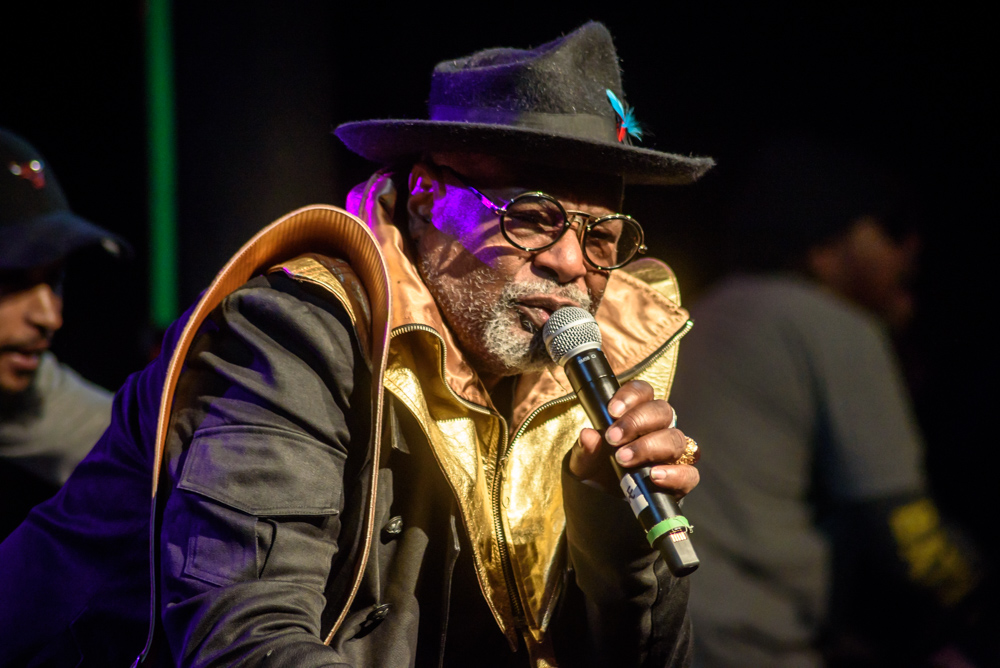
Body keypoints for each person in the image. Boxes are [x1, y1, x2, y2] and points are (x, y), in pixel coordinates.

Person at [0, 22, 711, 667]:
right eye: (532, 218)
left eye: (601, 236)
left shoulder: (595, 367)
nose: (570, 263)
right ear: (431, 196)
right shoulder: (294, 330)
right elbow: (244, 642)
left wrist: (613, 536)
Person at [671, 133, 986, 667]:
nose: (911, 249)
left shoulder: (706, 310)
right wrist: (980, 604)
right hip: (751, 641)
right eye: (891, 229)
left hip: (675, 627)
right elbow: (905, 532)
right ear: (823, 245)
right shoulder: (831, 322)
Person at [0, 128, 127, 541]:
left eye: (54, 280)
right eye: (13, 279)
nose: (49, 317)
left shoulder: (29, 389)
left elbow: (153, 447)